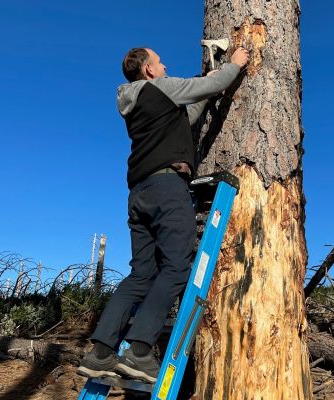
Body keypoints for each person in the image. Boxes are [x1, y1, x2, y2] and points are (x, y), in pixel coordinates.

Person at [77, 46, 250, 383]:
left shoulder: (144, 103)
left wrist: (210, 82)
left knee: (141, 274)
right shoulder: (159, 88)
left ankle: (99, 353)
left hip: (139, 193)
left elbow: (191, 112)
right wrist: (234, 65)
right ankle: (140, 351)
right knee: (177, 268)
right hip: (167, 189)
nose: (166, 65)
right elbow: (207, 89)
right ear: (149, 71)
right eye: (160, 62)